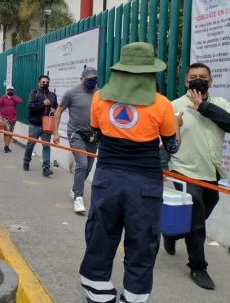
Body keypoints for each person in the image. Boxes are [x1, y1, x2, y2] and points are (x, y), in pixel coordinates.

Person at [79, 42, 182, 303]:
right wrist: (176, 125)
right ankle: (133, 297)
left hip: (107, 178)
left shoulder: (99, 98)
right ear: (150, 73)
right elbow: (172, 147)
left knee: (101, 235)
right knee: (142, 240)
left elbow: (96, 134)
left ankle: (98, 293)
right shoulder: (162, 104)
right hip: (145, 183)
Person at [163, 63, 230, 290]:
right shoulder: (174, 106)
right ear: (186, 81)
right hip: (184, 170)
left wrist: (203, 107)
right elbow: (166, 140)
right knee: (196, 217)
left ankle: (172, 233)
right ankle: (198, 267)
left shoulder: (219, 104)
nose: (198, 80)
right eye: (193, 77)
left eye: (203, 77)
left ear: (210, 82)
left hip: (211, 172)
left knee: (201, 213)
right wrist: (175, 125)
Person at [53, 67, 99, 214]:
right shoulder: (71, 93)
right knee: (82, 164)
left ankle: (74, 189)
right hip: (76, 133)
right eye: (89, 79)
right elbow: (58, 111)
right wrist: (55, 133)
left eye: (94, 80)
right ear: (82, 78)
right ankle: (78, 198)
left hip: (93, 136)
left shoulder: (99, 94)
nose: (92, 82)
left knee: (89, 167)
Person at [23, 75, 58, 177]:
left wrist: (54, 110)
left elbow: (56, 106)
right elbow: (30, 106)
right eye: (43, 82)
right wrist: (43, 103)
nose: (45, 84)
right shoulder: (34, 93)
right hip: (35, 124)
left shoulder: (52, 95)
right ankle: (26, 161)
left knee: (46, 146)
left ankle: (46, 168)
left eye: (47, 82)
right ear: (39, 83)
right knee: (30, 144)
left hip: (47, 124)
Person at [0, 85, 23, 153]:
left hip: (13, 118)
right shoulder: (3, 98)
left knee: (11, 133)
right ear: (6, 91)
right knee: (6, 132)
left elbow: (20, 101)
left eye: (11, 90)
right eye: (9, 90)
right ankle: (6, 146)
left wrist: (12, 97)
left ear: (13, 91)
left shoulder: (14, 98)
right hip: (5, 118)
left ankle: (7, 146)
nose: (10, 91)